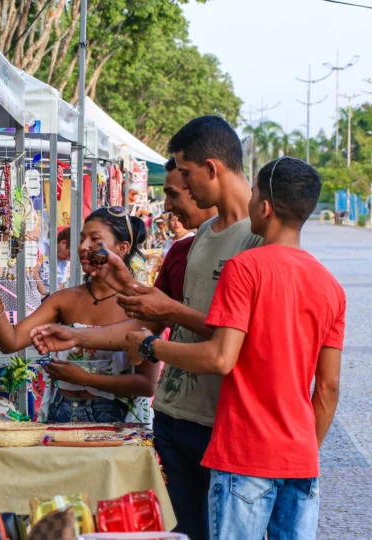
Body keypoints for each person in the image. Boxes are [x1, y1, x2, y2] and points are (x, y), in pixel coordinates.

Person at [29, 116, 261, 540]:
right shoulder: (201, 237)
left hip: (223, 424)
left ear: (212, 168)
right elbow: (153, 317)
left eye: (184, 179)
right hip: (174, 417)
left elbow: (238, 341)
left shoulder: (259, 241)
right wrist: (101, 313)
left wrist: (159, 328)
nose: (177, 199)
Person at [124, 158, 343, 539]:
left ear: (265, 207)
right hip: (301, 461)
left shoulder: (244, 268)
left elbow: (220, 357)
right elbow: (327, 389)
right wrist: (303, 452)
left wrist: (150, 345)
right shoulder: (330, 286)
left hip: (245, 454)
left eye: (255, 193)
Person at [0, 207, 158, 424]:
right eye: (81, 239)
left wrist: (85, 379)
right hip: (61, 413)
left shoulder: (141, 303)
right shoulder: (64, 299)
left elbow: (146, 384)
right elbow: (10, 342)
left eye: (95, 239)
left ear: (122, 248)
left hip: (117, 420)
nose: (83, 247)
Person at [154, 157, 217, 303]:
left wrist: (173, 312)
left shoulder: (249, 245)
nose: (167, 206)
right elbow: (154, 313)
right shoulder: (179, 250)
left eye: (174, 194)